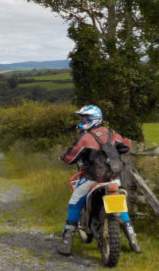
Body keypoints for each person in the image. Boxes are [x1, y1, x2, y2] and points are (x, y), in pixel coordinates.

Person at [57, 105, 141, 256]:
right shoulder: (112, 133)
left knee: (74, 203)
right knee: (120, 207)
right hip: (113, 178)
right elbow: (126, 146)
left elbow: (71, 157)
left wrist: (63, 157)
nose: (82, 121)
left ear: (93, 120)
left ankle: (66, 243)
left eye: (84, 118)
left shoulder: (86, 138)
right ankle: (133, 240)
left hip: (93, 178)